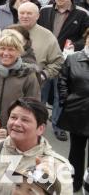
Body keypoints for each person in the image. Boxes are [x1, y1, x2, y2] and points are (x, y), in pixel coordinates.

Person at [0, 97, 73, 195]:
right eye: (13, 117)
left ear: (41, 128)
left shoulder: (57, 165)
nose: (16, 123)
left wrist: (44, 184)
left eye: (25, 120)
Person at [0, 31, 41, 137]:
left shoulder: (28, 76)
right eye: (2, 48)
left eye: (11, 49)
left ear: (19, 52)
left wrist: (9, 131)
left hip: (14, 135)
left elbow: (33, 110)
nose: (6, 53)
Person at [57, 39, 89, 191]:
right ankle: (74, 182)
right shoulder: (73, 58)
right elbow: (63, 81)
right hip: (78, 111)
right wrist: (66, 100)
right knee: (76, 150)